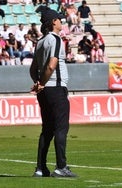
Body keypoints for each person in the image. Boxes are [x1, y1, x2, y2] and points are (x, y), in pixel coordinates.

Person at [30, 7, 76, 178]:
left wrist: (38, 83)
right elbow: (51, 65)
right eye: (59, 19)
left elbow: (33, 68)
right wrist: (41, 83)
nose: (61, 21)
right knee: (61, 128)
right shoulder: (55, 39)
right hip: (56, 88)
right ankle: (61, 167)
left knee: (47, 130)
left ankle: (40, 168)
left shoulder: (40, 42)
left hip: (44, 92)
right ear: (53, 22)